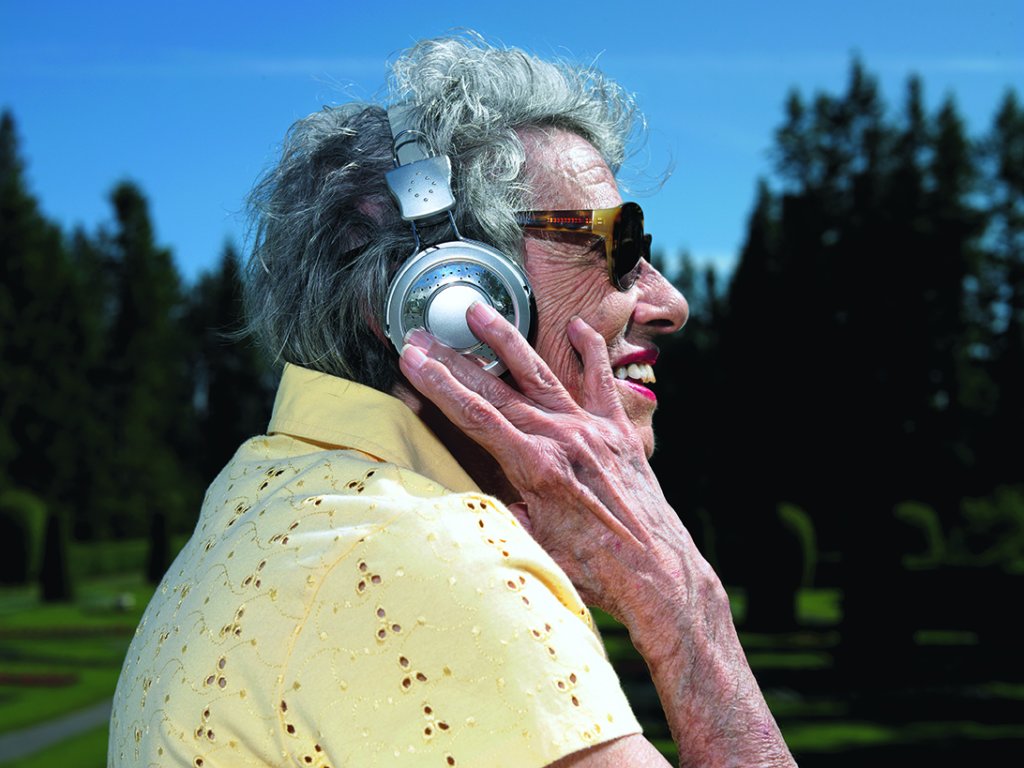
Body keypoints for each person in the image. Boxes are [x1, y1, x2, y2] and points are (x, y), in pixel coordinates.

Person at [110, 35, 795, 767]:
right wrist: (687, 610)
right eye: (616, 244)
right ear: (447, 298)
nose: (669, 302)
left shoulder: (261, 498)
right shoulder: (425, 558)